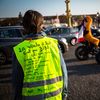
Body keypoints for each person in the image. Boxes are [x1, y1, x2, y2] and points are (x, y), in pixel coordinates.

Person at [12, 10, 68, 100]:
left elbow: (17, 82)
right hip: (56, 96)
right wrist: (64, 94)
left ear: (24, 27)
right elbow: (63, 71)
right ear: (41, 25)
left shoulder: (19, 50)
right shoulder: (53, 44)